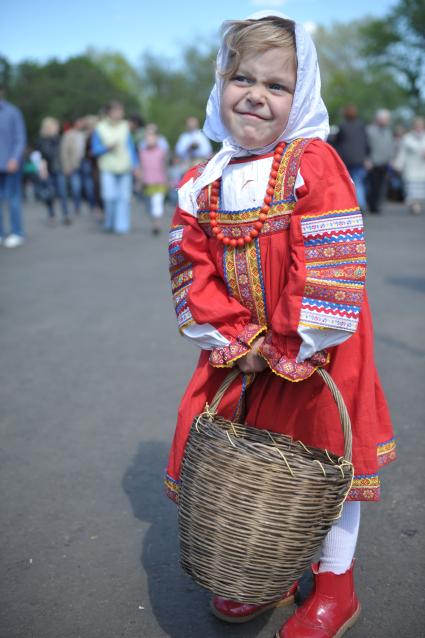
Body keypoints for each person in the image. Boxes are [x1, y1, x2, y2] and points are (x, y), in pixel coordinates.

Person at [166, 12, 396, 638]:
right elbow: (192, 268)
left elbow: (326, 261)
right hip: (243, 350)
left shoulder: (312, 163)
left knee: (326, 462)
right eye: (243, 78)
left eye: (276, 85)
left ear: (302, 94)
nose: (256, 95)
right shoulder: (201, 182)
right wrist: (235, 340)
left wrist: (295, 342)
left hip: (321, 344)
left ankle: (334, 584)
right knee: (254, 463)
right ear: (220, 83)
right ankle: (266, 567)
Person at [91, 101, 138, 234]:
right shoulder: (99, 127)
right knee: (109, 197)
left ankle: (121, 226)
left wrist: (135, 165)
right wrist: (107, 147)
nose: (120, 113)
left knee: (124, 198)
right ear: (109, 112)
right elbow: (94, 150)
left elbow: (130, 147)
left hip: (124, 168)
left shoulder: (125, 126)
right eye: (117, 110)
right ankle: (109, 222)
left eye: (121, 111)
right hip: (108, 168)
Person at [0, 83, 26, 247]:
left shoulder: (12, 112)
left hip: (10, 164)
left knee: (13, 199)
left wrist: (15, 158)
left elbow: (20, 138)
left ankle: (17, 232)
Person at [36, 117, 71, 225]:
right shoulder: (41, 141)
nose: (57, 128)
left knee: (62, 193)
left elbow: (64, 155)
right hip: (48, 170)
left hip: (58, 169)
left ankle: (66, 214)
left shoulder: (60, 139)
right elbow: (40, 157)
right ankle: (52, 215)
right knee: (49, 194)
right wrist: (42, 170)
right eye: (54, 126)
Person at [334, 105, 369, 211]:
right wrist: (367, 156)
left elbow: (337, 142)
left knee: (346, 182)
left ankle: (349, 205)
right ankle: (361, 204)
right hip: (359, 158)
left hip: (346, 159)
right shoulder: (361, 125)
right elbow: (366, 143)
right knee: (358, 182)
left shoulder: (342, 126)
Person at [138, 129, 168, 234]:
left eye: (152, 138)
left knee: (157, 203)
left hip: (159, 182)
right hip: (147, 183)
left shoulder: (161, 152)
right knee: (149, 205)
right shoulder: (142, 153)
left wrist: (167, 180)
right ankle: (154, 219)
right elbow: (140, 167)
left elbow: (165, 166)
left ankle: (157, 223)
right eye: (147, 138)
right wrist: (139, 180)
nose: (149, 140)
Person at [393, 117, 425, 215]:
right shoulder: (407, 138)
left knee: (420, 188)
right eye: (417, 125)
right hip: (410, 167)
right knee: (411, 188)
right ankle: (414, 205)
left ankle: (417, 204)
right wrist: (398, 164)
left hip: (422, 167)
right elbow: (402, 153)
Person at [366, 109, 395, 213]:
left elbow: (391, 146)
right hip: (373, 163)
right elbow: (366, 146)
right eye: (385, 119)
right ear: (378, 119)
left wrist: (391, 159)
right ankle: (371, 205)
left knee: (382, 186)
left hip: (385, 163)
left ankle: (377, 205)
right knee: (372, 185)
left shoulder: (388, 131)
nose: (387, 121)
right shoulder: (370, 130)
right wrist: (367, 159)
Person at [60, 116, 87, 215]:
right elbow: (64, 152)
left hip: (84, 163)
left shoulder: (84, 134)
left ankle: (81, 206)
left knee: (84, 187)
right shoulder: (68, 135)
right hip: (74, 164)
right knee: (76, 187)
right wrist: (67, 166)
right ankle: (77, 206)